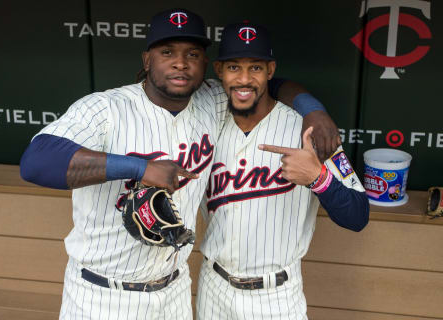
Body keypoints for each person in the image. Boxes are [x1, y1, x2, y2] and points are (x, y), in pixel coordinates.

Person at [20, 8, 341, 320]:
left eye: (192, 54)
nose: (180, 63)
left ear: (205, 64)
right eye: (167, 51)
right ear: (147, 60)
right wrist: (139, 168)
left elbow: (268, 82)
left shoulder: (211, 99)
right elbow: (36, 161)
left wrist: (312, 109)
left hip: (174, 292)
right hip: (103, 294)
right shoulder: (106, 108)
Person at [196, 22, 369, 320]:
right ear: (219, 70)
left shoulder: (309, 130)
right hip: (213, 287)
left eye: (256, 68)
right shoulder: (204, 120)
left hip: (275, 295)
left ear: (271, 70)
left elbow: (358, 216)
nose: (244, 79)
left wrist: (319, 179)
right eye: (234, 67)